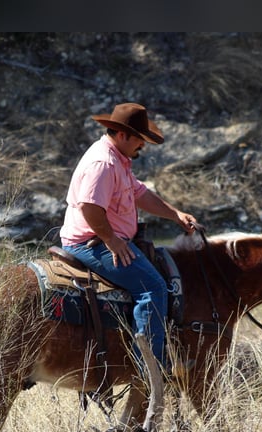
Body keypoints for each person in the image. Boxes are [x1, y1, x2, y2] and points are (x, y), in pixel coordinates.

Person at [60, 102, 201, 373]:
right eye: (140, 139)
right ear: (123, 135)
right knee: (153, 288)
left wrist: (175, 214)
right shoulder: (103, 163)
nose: (143, 146)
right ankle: (148, 366)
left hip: (102, 237)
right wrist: (112, 240)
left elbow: (140, 193)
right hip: (89, 243)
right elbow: (90, 207)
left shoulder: (118, 160)